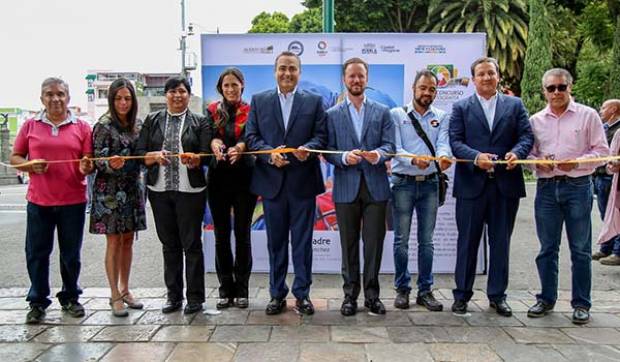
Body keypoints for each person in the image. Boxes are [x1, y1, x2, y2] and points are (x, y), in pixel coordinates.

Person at [449, 57, 534, 317]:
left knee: (500, 244)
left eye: (491, 73)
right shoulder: (461, 107)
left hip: (505, 186)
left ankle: (497, 296)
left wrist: (516, 153)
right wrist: (476, 157)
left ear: (498, 76)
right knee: (467, 243)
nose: (486, 78)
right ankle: (462, 295)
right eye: (481, 74)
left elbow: (526, 136)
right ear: (473, 79)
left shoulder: (515, 105)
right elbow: (455, 141)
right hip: (471, 185)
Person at [245, 51, 327, 315]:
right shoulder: (259, 101)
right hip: (272, 185)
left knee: (302, 244)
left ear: (299, 72)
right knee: (276, 243)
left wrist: (309, 148)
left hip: (303, 183)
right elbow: (252, 136)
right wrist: (269, 153)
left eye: (292, 69)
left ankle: (302, 294)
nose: (287, 73)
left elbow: (321, 136)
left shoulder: (314, 102)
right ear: (275, 71)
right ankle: (276, 294)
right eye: (282, 68)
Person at [527, 68, 609, 325]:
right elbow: (527, 155)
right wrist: (537, 163)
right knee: (547, 248)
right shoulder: (535, 120)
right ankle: (546, 298)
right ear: (544, 91)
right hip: (547, 189)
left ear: (570, 87)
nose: (557, 92)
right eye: (551, 88)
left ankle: (581, 303)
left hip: (578, 186)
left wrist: (577, 162)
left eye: (561, 87)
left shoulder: (588, 115)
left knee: (581, 250)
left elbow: (602, 152)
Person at [10, 77, 94, 324]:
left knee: (71, 254)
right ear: (41, 98)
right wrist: (29, 165)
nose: (55, 99)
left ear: (68, 97)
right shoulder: (30, 126)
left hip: (73, 201)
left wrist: (86, 165)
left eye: (60, 94)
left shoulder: (81, 127)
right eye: (49, 94)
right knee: (37, 253)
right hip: (39, 201)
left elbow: (86, 161)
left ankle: (70, 297)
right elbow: (15, 157)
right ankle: (37, 301)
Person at [324, 57, 395, 316]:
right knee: (349, 244)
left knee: (374, 244)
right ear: (344, 79)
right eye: (351, 76)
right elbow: (327, 150)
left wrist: (379, 155)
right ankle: (349, 296)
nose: (356, 80)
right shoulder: (331, 115)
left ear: (367, 79)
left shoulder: (382, 111)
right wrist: (343, 157)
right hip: (345, 187)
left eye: (360, 76)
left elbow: (390, 146)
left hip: (376, 186)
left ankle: (373, 296)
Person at [135, 76, 211, 315]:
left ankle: (196, 298)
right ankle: (173, 296)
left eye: (182, 91)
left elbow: (207, 154)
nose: (177, 96)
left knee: (192, 245)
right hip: (159, 190)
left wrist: (196, 159)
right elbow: (139, 154)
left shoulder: (200, 122)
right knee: (169, 245)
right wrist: (153, 156)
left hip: (191, 191)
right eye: (172, 92)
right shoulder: (152, 120)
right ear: (165, 95)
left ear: (188, 95)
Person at [389, 70, 452, 311]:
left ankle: (425, 290)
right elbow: (395, 148)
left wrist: (443, 157)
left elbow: (443, 143)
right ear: (413, 89)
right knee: (401, 241)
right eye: (423, 88)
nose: (427, 93)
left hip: (430, 184)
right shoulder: (397, 114)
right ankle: (402, 289)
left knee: (427, 242)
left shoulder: (442, 116)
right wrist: (414, 160)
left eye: (432, 89)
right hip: (403, 182)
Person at [89, 79, 147, 317]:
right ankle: (113, 293)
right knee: (113, 241)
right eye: (118, 98)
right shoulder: (103, 125)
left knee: (128, 240)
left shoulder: (138, 125)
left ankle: (125, 288)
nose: (123, 103)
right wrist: (109, 163)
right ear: (112, 100)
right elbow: (95, 160)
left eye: (127, 98)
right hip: (109, 192)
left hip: (133, 189)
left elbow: (142, 156)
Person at [206, 68, 257, 309]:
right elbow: (209, 136)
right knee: (221, 236)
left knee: (243, 235)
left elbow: (252, 136)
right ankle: (225, 288)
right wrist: (215, 142)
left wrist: (241, 146)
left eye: (234, 85)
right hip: (218, 179)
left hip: (244, 178)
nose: (230, 89)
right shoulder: (212, 110)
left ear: (242, 86)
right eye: (226, 85)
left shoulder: (251, 110)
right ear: (220, 88)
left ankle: (242, 289)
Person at [593, 99, 620, 265]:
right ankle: (606, 247)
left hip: (613, 178)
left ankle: (618, 251)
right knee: (606, 215)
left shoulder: (618, 129)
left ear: (614, 109)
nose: (601, 110)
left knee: (616, 215)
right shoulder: (604, 128)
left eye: (604, 107)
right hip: (600, 175)